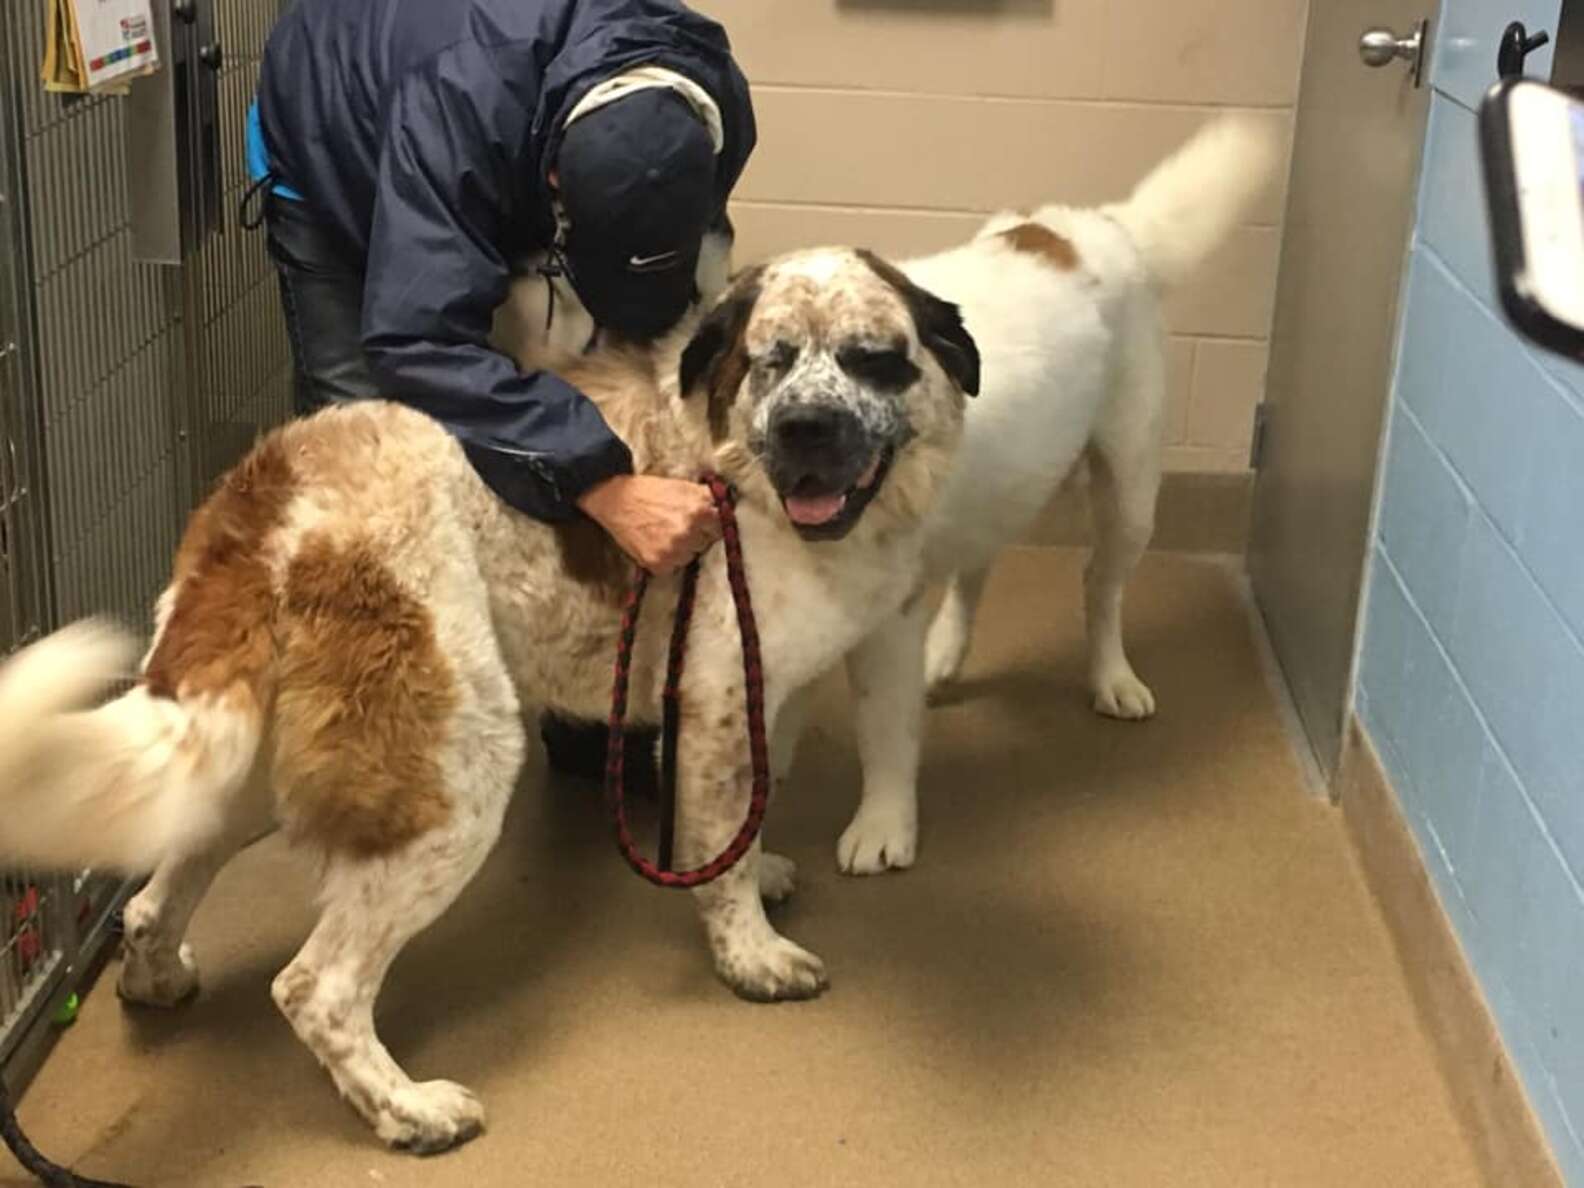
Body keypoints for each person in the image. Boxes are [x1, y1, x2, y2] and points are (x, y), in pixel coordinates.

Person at [243, 0, 757, 788]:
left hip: (499, 123)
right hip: (330, 139)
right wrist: (604, 483)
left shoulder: (710, 89)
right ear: (555, 183)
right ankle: (362, 732)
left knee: (583, 391)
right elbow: (416, 338)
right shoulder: (456, 108)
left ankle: (588, 713)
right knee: (366, 447)